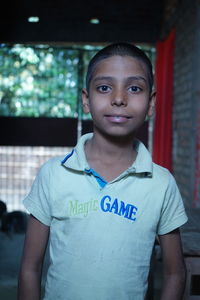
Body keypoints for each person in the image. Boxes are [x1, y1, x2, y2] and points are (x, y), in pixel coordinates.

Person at [18, 42, 188, 300]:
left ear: (151, 103)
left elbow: (175, 274)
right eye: (104, 87)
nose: (119, 99)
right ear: (86, 100)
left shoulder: (162, 184)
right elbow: (30, 268)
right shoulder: (53, 174)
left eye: (134, 88)